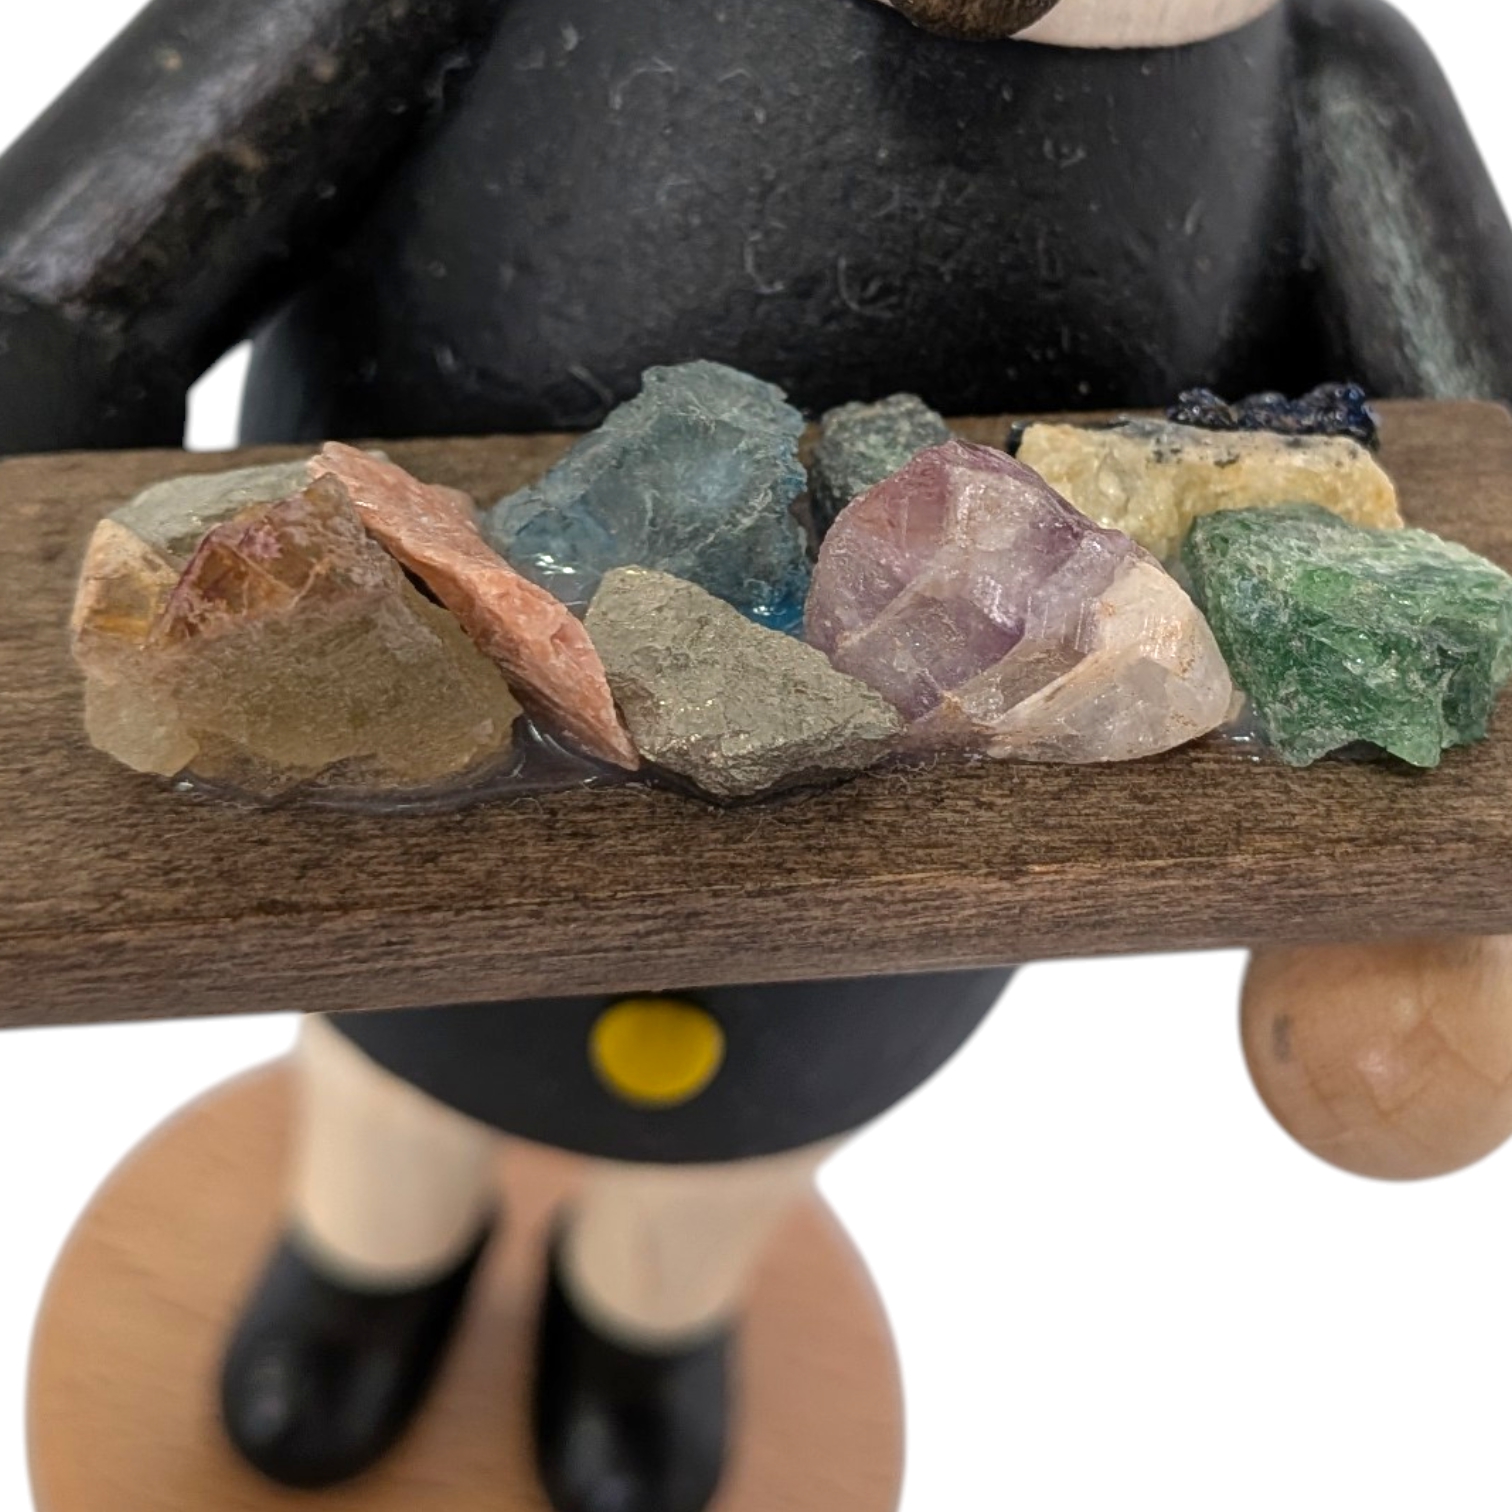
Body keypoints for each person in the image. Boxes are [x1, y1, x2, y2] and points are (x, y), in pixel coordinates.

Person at [2, 2, 1510, 1509]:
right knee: (393, 1097)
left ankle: (646, 1322)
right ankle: (365, 1261)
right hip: (420, 806)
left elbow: (1472, 454)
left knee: (737, 1156)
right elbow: (68, 288)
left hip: (876, 921)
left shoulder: (1314, 81)